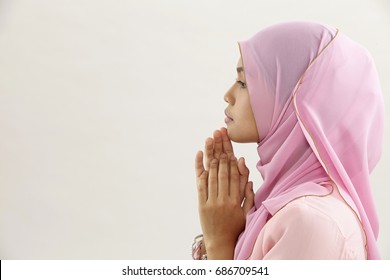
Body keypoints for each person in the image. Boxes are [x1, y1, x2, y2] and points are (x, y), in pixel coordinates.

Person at [193, 21, 384, 260]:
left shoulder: (311, 222)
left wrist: (219, 242)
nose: (228, 95)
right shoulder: (286, 208)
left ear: (297, 101)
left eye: (243, 82)